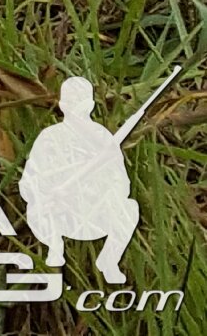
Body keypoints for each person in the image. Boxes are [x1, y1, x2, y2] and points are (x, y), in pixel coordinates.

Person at [20, 75, 142, 285]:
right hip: (58, 213)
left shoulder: (102, 138)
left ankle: (109, 261)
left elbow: (122, 182)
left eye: (81, 102)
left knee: (129, 209)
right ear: (63, 105)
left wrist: (96, 189)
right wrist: (51, 192)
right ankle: (54, 250)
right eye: (72, 102)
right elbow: (29, 180)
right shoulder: (50, 137)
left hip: (96, 212)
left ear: (91, 105)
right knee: (38, 211)